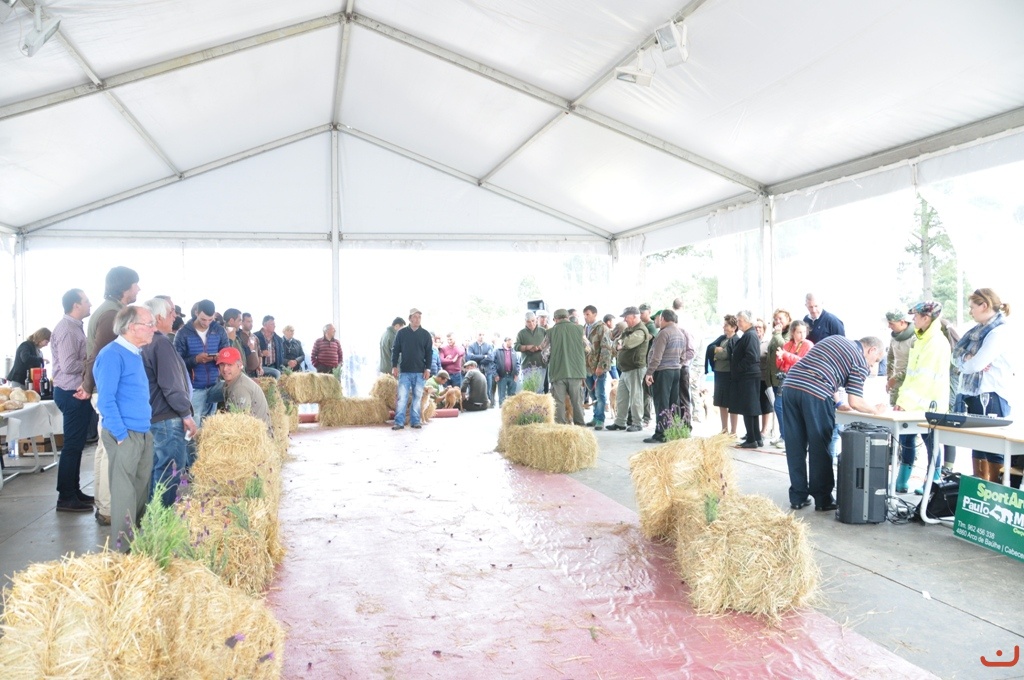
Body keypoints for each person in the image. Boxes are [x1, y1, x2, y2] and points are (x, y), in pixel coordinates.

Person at [783, 335, 886, 511]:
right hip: (815, 392)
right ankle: (822, 499)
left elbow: (825, 371)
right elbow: (855, 401)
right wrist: (876, 411)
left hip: (790, 386)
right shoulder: (860, 360)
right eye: (875, 360)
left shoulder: (836, 340)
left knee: (795, 445)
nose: (872, 365)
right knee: (819, 445)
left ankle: (798, 497)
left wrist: (838, 403)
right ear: (872, 350)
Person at [94, 305, 157, 551]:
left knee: (140, 491)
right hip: (125, 434)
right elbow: (106, 400)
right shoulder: (112, 355)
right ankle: (123, 553)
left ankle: (136, 546)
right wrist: (121, 435)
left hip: (141, 431)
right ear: (131, 327)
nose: (153, 328)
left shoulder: (134, 353)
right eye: (148, 324)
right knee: (124, 496)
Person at [83, 265, 140, 527]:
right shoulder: (111, 315)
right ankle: (107, 508)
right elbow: (101, 355)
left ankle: (103, 504)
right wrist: (90, 385)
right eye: (136, 284)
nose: (139, 289)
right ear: (124, 287)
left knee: (104, 449)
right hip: (109, 391)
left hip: (103, 389)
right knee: (112, 450)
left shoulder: (110, 310)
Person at [952, 288, 1016, 482]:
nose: (970, 311)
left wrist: (967, 362)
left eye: (973, 307)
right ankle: (979, 491)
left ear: (984, 306)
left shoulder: (998, 332)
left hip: (991, 394)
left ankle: (995, 490)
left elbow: (975, 365)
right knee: (978, 445)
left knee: (993, 448)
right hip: (974, 394)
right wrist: (967, 359)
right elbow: (956, 357)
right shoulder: (976, 332)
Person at [141, 297, 197, 507]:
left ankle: (155, 518)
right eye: (171, 312)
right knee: (170, 472)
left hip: (156, 416)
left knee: (160, 470)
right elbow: (171, 385)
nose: (175, 316)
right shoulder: (161, 343)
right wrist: (186, 414)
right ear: (158, 317)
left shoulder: (148, 342)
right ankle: (164, 519)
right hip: (167, 417)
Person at [894, 301, 950, 494]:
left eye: (916, 316)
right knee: (907, 440)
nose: (913, 319)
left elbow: (924, 379)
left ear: (926, 318)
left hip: (930, 404)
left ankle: (933, 482)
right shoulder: (921, 339)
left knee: (931, 443)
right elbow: (912, 376)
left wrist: (905, 402)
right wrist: (902, 400)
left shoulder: (936, 342)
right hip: (914, 404)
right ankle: (903, 479)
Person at [50, 289, 94, 513]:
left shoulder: (75, 327)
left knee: (76, 446)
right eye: (86, 301)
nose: (90, 304)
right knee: (72, 446)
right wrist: (91, 362)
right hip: (71, 392)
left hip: (74, 391)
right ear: (76, 305)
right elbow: (68, 366)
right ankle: (66, 496)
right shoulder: (67, 329)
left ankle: (73, 490)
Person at [174, 299, 228, 425]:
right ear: (196, 313)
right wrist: (195, 360)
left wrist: (219, 358)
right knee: (194, 425)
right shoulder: (183, 333)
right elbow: (177, 363)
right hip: (194, 387)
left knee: (209, 424)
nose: (206, 323)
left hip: (214, 383)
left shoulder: (219, 330)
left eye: (210, 319)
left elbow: (226, 352)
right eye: (203, 319)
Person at [606, 307, 652, 433]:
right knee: (621, 397)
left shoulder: (641, 330)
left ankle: (637, 423)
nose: (625, 319)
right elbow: (616, 342)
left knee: (636, 397)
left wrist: (621, 343)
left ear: (635, 317)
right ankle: (620, 422)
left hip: (635, 368)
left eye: (627, 317)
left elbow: (628, 343)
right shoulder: (628, 329)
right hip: (626, 369)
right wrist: (619, 343)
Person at [643, 308, 684, 443]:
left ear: (663, 319)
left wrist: (649, 372)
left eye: (660, 319)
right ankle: (672, 432)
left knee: (661, 403)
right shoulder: (680, 333)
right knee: (673, 403)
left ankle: (661, 434)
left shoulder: (664, 333)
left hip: (663, 371)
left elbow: (657, 356)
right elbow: (683, 356)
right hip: (676, 371)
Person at [391, 308, 433, 430]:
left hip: (420, 372)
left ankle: (415, 421)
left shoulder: (425, 334)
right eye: (414, 317)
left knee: (417, 398)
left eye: (419, 317)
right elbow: (395, 350)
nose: (417, 319)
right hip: (405, 371)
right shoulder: (401, 333)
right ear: (410, 319)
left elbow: (429, 353)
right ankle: (399, 422)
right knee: (402, 398)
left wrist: (428, 369)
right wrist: (394, 366)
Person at [543, 308, 587, 425]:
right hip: (576, 372)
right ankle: (580, 427)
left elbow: (545, 354)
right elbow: (588, 348)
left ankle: (561, 428)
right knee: (577, 401)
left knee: (559, 403)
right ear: (568, 317)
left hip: (558, 373)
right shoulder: (579, 329)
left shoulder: (550, 332)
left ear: (555, 319)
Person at [773, 319, 813, 449]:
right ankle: (784, 435)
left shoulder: (808, 344)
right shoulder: (787, 345)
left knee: (796, 409)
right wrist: (780, 358)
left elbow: (803, 362)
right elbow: (781, 365)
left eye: (804, 332)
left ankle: (795, 438)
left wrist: (786, 355)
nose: (802, 335)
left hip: (801, 380)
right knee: (779, 405)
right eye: (799, 332)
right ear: (793, 333)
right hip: (786, 378)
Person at [729, 311, 763, 448]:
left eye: (740, 321)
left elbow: (751, 356)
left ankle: (751, 439)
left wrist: (738, 368)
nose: (738, 323)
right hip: (749, 375)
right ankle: (756, 437)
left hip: (748, 375)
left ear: (748, 321)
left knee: (748, 407)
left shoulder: (750, 335)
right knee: (751, 407)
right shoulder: (749, 335)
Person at [217, 347, 272, 430]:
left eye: (229, 365)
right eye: (222, 364)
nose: (225, 369)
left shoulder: (240, 388)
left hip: (256, 435)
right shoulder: (233, 381)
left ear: (239, 365)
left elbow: (241, 423)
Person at [707, 315, 739, 436]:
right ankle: (724, 429)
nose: (724, 327)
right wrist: (716, 350)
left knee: (732, 404)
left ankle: (733, 431)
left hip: (729, 375)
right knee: (721, 403)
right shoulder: (722, 339)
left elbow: (726, 355)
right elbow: (710, 349)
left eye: (726, 325)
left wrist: (716, 353)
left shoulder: (735, 340)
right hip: (719, 374)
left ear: (734, 328)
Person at [582, 305, 612, 430]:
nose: (585, 317)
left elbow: (606, 348)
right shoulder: (584, 328)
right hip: (587, 367)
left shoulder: (602, 328)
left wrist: (601, 366)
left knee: (600, 394)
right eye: (584, 314)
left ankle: (600, 419)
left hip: (598, 367)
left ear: (595, 314)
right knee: (592, 394)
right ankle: (595, 417)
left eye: (587, 314)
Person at [767, 309, 792, 447]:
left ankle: (786, 437)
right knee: (779, 407)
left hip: (785, 376)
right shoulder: (778, 333)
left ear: (788, 319)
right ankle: (783, 435)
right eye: (776, 319)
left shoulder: (789, 334)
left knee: (779, 406)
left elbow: (784, 347)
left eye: (781, 318)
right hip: (775, 377)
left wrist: (776, 334)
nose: (777, 321)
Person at [885, 309, 916, 408]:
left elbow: (916, 365)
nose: (889, 326)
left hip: (910, 385)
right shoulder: (894, 338)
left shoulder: (915, 338)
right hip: (895, 383)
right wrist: (890, 377)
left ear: (902, 322)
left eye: (891, 323)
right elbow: (890, 358)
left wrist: (895, 378)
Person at [753, 318, 775, 440]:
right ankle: (754, 431)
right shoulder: (751, 341)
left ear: (764, 329)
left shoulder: (768, 343)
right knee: (754, 405)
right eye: (755, 327)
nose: (757, 329)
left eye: (760, 327)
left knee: (765, 405)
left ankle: (764, 430)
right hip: (753, 379)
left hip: (764, 378)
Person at [515, 311, 546, 393]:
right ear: (525, 322)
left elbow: (549, 344)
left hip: (541, 364)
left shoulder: (543, 331)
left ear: (536, 320)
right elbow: (516, 347)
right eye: (528, 322)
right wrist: (527, 347)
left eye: (533, 321)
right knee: (528, 390)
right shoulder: (521, 333)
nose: (531, 324)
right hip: (527, 366)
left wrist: (540, 347)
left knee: (540, 390)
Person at [466, 332, 496, 407]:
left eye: (483, 335)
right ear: (476, 336)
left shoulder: (489, 346)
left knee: (488, 389)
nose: (481, 336)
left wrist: (478, 360)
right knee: (474, 388)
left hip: (487, 371)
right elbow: (470, 357)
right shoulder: (472, 346)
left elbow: (491, 358)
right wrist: (483, 356)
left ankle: (487, 404)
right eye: (480, 335)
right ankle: (473, 405)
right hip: (475, 372)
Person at [493, 337, 520, 406]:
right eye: (510, 341)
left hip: (512, 375)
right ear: (506, 341)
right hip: (501, 375)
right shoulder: (498, 351)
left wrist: (516, 374)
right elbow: (493, 363)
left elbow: (517, 363)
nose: (511, 342)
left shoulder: (513, 351)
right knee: (502, 395)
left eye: (512, 341)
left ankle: (510, 409)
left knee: (512, 395)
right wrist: (495, 374)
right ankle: (502, 409)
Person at [239, 313, 264, 377]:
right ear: (242, 323)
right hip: (244, 372)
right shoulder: (238, 337)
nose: (251, 324)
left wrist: (260, 366)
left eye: (251, 321)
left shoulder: (255, 337)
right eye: (248, 321)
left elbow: (259, 354)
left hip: (255, 372)